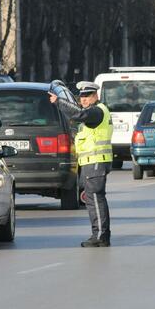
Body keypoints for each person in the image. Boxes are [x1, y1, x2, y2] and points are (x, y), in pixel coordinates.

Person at [49, 80, 113, 247]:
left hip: (96, 162)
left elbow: (78, 114)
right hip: (91, 162)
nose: (84, 99)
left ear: (96, 96)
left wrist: (59, 102)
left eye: (87, 96)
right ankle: (100, 234)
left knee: (95, 199)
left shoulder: (96, 112)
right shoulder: (94, 112)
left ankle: (100, 235)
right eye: (82, 96)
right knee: (92, 199)